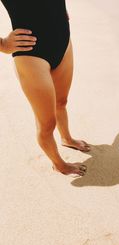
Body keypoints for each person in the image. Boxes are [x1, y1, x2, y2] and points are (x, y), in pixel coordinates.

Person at [0, 0, 91, 176]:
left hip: (63, 40)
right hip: (31, 53)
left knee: (61, 102)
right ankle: (59, 165)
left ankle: (67, 138)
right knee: (47, 124)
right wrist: (3, 45)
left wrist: (60, 10)